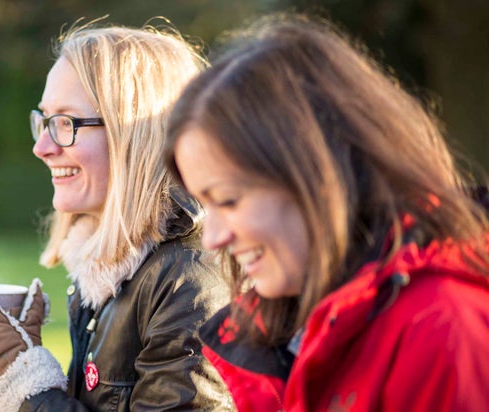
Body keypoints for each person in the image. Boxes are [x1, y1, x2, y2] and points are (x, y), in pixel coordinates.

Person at [164, 13, 489, 412]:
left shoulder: (442, 331)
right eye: (204, 204)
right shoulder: (285, 335)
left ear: (320, 174)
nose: (212, 237)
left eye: (229, 200)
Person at [0, 21, 233, 411]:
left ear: (134, 133)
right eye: (43, 120)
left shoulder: (190, 282)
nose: (42, 147)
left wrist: (19, 380)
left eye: (66, 123)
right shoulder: (111, 272)